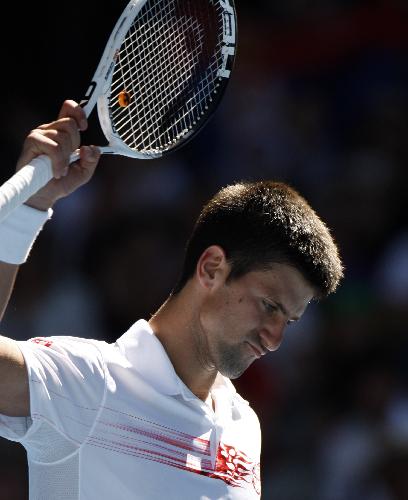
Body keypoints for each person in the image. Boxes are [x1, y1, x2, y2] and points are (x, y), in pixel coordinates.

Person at [0, 100, 343, 499]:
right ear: (212, 268)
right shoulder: (86, 383)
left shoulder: (244, 425)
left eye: (289, 320)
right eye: (270, 306)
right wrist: (27, 210)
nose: (274, 338)